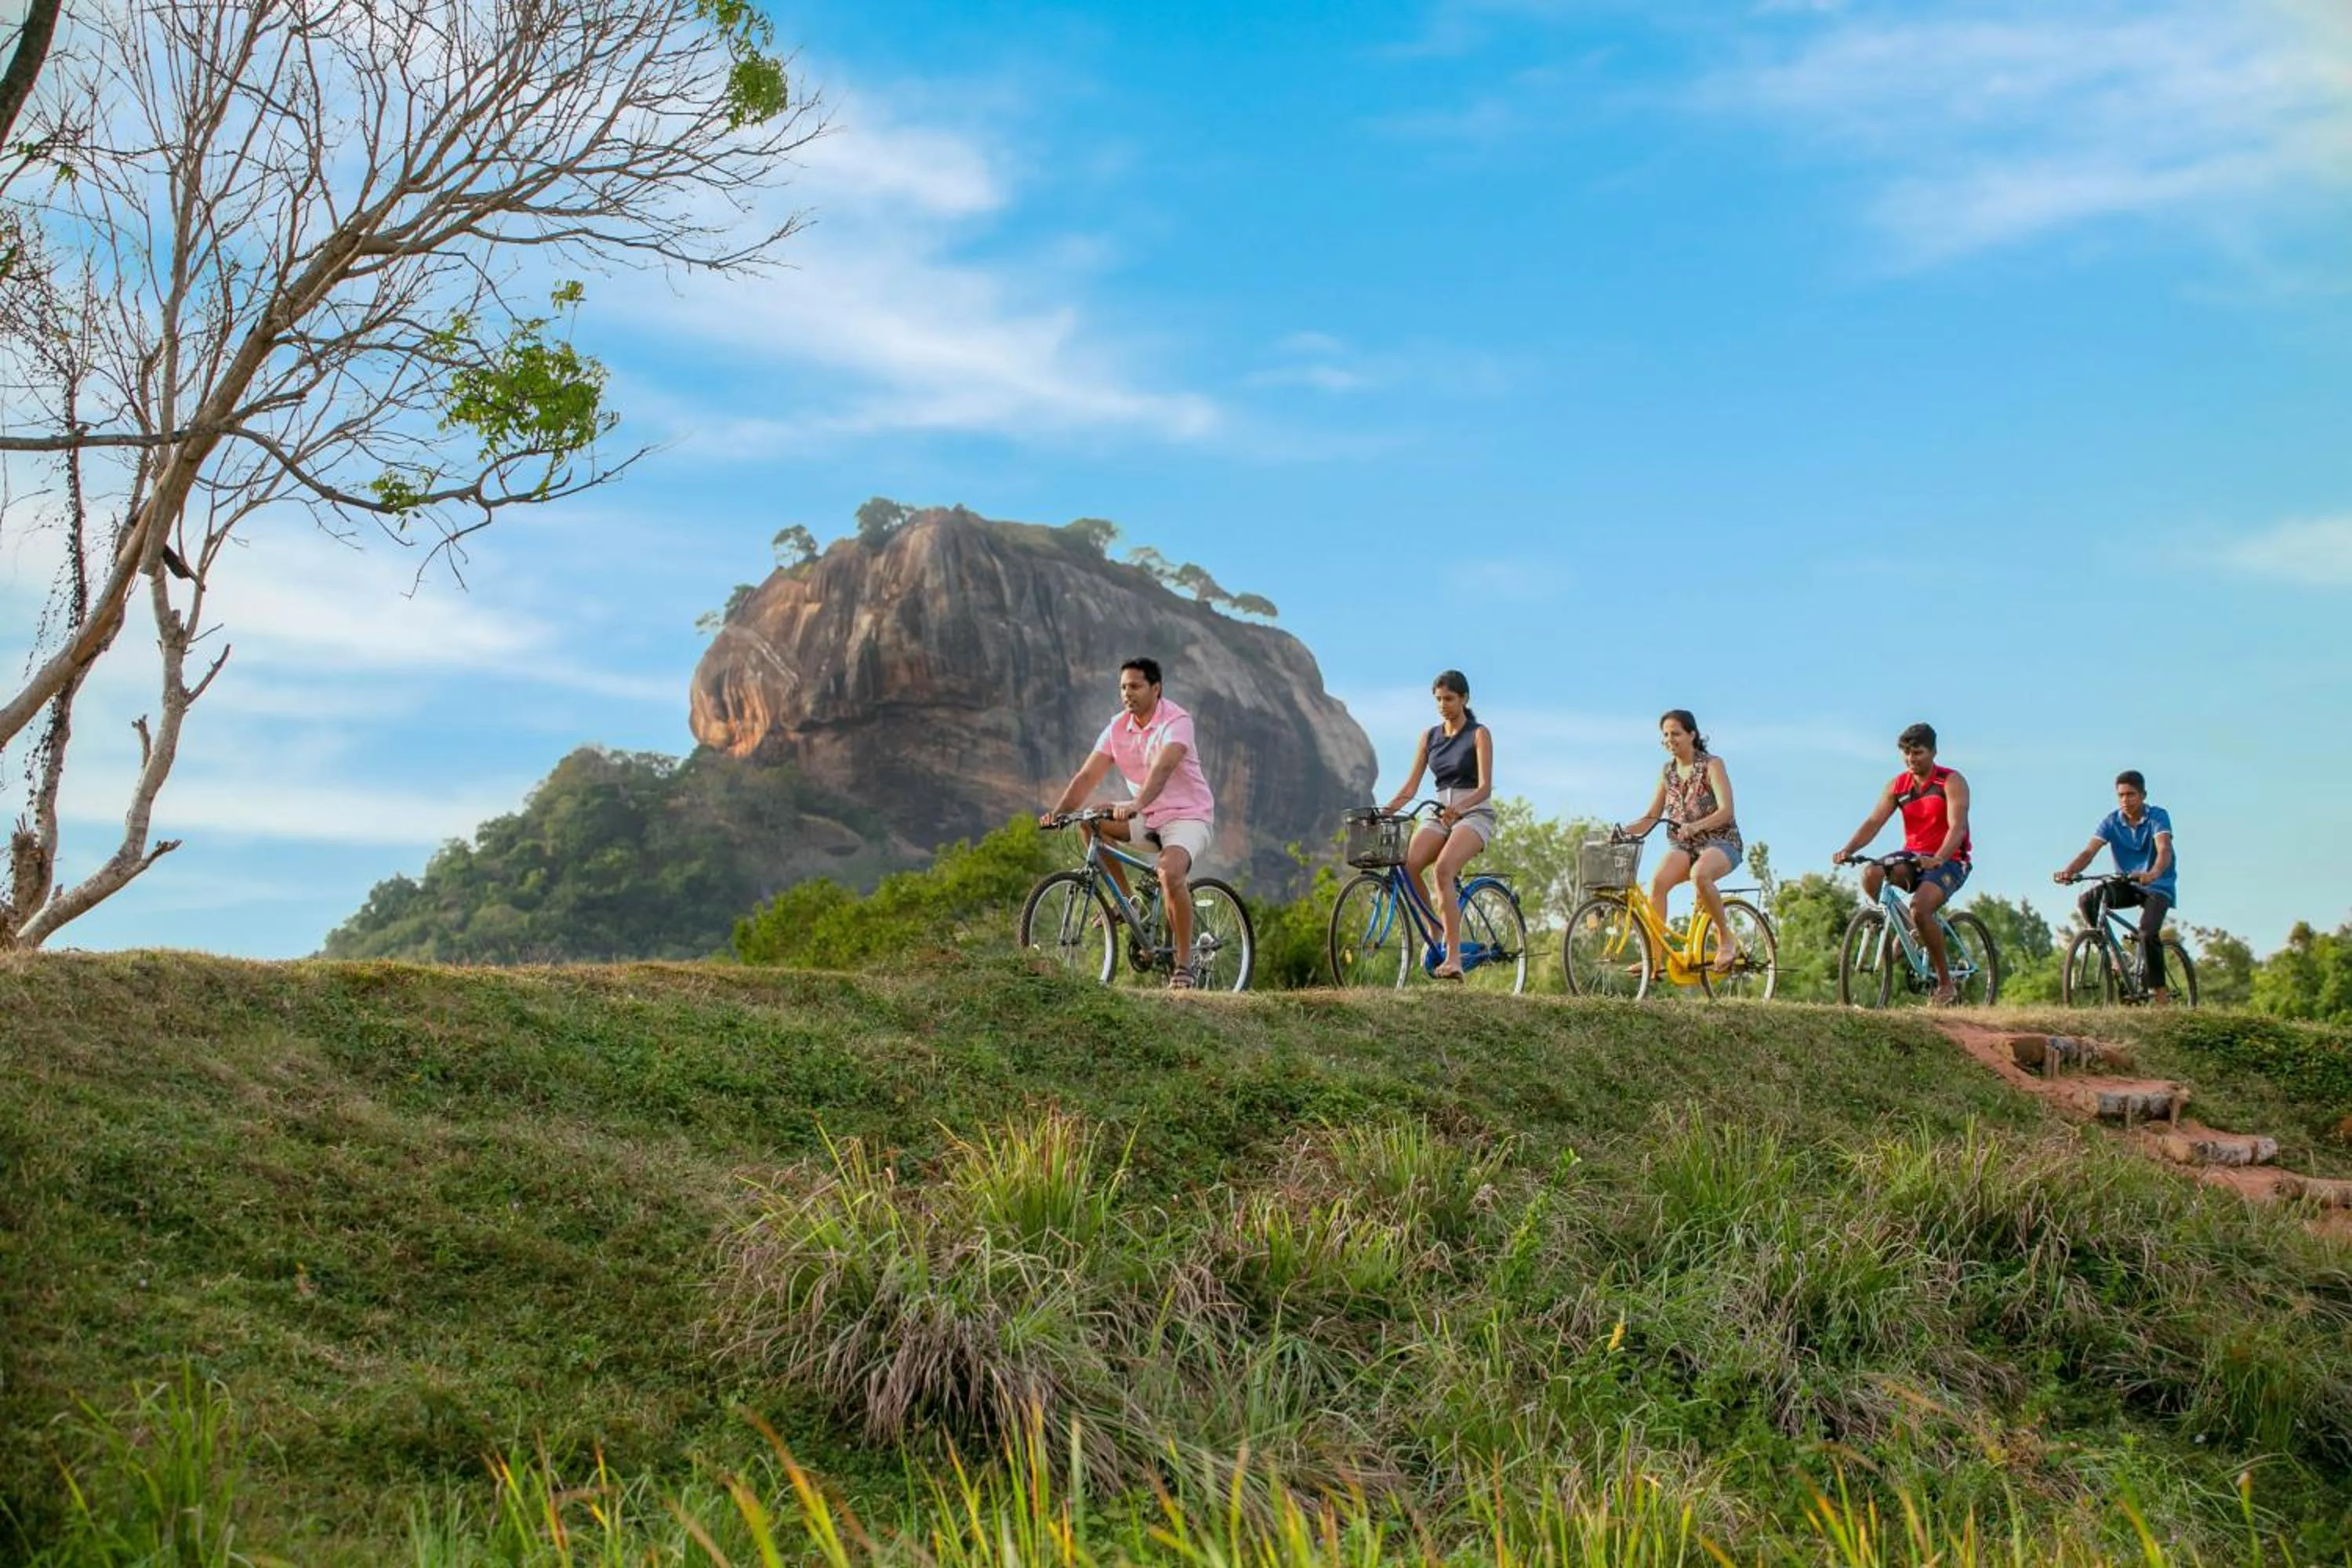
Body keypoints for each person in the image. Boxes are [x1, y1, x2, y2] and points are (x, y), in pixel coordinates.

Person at [1041, 657, 1218, 989]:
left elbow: (1162, 770)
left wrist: (1135, 804)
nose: (1127, 693)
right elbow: (1088, 775)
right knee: (1092, 821)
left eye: (1135, 686)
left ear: (1156, 688)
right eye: (1123, 687)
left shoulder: (1177, 721)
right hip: (1146, 815)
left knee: (1170, 873)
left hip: (1187, 815)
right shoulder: (1116, 728)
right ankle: (1128, 902)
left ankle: (1183, 966)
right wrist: (1059, 812)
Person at [1833, 721, 1973, 1005]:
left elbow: (1957, 827)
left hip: (1950, 860)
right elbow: (1874, 822)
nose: (1912, 759)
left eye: (1918, 752)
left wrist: (1939, 858)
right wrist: (1848, 849)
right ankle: (1910, 929)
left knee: (1921, 907)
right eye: (1906, 753)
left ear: (1933, 752)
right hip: (1912, 855)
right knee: (1871, 874)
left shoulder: (1950, 781)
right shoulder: (1898, 785)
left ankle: (1946, 984)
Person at [1377, 670, 1494, 980]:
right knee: (1408, 863)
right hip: (1441, 811)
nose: (1443, 705)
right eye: (1438, 699)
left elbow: (1485, 787)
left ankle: (1454, 958)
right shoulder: (1429, 737)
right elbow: (1410, 788)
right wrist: (1383, 812)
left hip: (1475, 812)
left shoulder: (1478, 734)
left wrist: (1461, 808)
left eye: (1449, 699)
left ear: (1464, 699)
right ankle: (1435, 925)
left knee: (1443, 870)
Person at [1621, 710, 1744, 973]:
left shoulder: (1712, 765)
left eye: (1675, 733)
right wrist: (1624, 831)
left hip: (1722, 842)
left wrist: (1696, 826)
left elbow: (1726, 811)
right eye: (1665, 735)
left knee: (1700, 874)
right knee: (1658, 882)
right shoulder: (1668, 772)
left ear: (1692, 735)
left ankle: (1725, 939)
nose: (1669, 739)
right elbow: (1653, 815)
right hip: (1684, 846)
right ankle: (1652, 959)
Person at [2052, 770, 2178, 1004]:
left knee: (2147, 933)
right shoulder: (2112, 821)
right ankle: (2117, 956)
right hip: (2127, 883)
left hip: (2157, 885)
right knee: (2087, 901)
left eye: (2131, 795)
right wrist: (2070, 871)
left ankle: (2160, 993)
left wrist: (2153, 873)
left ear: (2143, 795)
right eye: (2121, 795)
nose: (2125, 800)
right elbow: (2089, 852)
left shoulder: (2157, 817)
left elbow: (2164, 850)